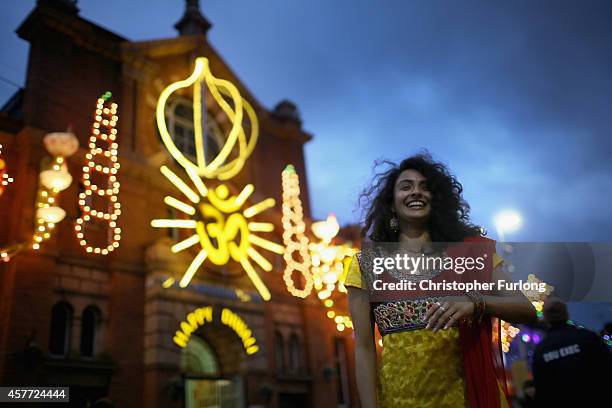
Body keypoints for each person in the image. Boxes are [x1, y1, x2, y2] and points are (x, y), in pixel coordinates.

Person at [346, 153, 537, 408]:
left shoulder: (471, 255)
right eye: (406, 187)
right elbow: (364, 348)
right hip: (399, 402)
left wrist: (475, 303)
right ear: (391, 204)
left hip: (467, 400)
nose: (416, 192)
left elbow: (526, 309)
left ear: (436, 201)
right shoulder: (367, 265)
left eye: (425, 187)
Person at [531, 298, 612, 406]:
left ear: (545, 319)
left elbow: (542, 391)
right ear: (566, 314)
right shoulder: (587, 337)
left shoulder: (540, 351)